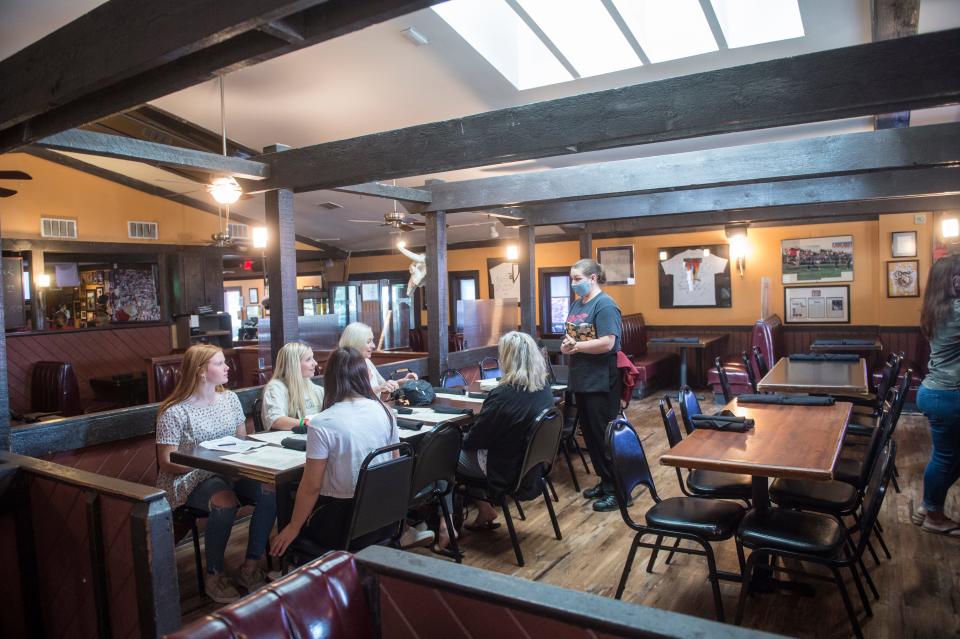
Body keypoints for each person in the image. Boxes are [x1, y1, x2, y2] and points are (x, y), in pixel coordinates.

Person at [270, 347, 427, 556]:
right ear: (363, 375)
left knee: (289, 515)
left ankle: (297, 578)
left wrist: (292, 527)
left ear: (331, 378)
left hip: (342, 522)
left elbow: (311, 487)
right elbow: (394, 465)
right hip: (384, 517)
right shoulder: (384, 411)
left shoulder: (322, 423)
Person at [155, 344, 277, 603]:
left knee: (270, 489)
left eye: (225, 363)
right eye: (220, 364)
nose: (227, 368)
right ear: (201, 372)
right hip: (189, 477)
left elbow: (241, 441)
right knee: (225, 501)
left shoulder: (230, 399)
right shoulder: (175, 411)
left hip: (230, 470)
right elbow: (166, 461)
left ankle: (250, 566)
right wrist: (208, 461)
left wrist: (240, 457)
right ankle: (214, 574)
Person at [443, 331, 555, 540]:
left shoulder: (503, 395)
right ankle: (485, 510)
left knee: (442, 457)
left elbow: (477, 439)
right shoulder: (543, 388)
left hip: (504, 467)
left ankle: (445, 527)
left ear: (508, 358)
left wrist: (457, 441)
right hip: (529, 465)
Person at [561, 258, 623, 512]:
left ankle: (618, 490)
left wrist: (577, 347)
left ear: (593, 278)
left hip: (601, 381)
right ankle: (605, 480)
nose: (574, 283)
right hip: (582, 380)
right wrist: (567, 344)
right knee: (590, 436)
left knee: (603, 436)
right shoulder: (578, 303)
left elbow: (608, 343)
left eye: (578, 279)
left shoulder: (605, 305)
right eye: (572, 279)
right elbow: (573, 334)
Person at [914, 254, 960, 536]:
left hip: (937, 393)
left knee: (947, 457)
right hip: (947, 396)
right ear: (953, 280)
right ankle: (933, 514)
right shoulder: (956, 311)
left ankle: (929, 505)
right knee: (944, 458)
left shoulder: (937, 310)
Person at [339, 321, 417, 397]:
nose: (373, 345)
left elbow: (383, 386)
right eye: (368, 341)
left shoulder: (367, 361)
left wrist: (402, 382)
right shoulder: (343, 365)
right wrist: (379, 388)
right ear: (355, 343)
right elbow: (349, 396)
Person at [260, 342, 323, 431]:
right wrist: (307, 423)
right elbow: (276, 421)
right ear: (294, 364)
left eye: (313, 358)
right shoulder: (275, 387)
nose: (315, 363)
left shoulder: (309, 385)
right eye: (308, 359)